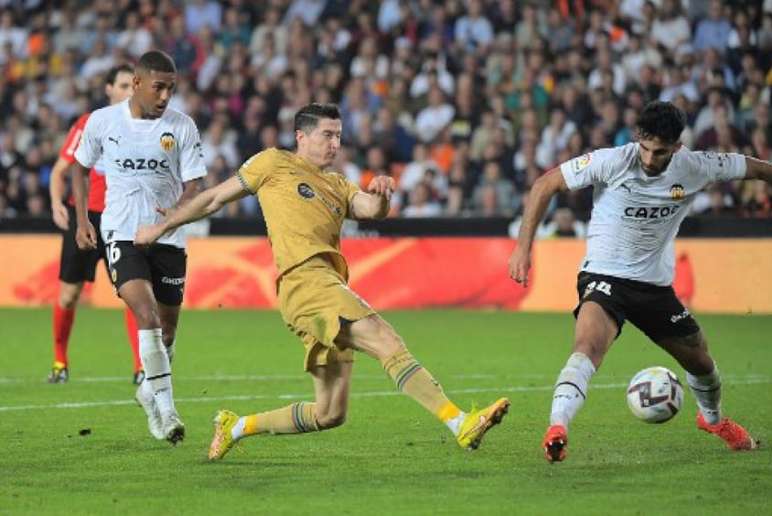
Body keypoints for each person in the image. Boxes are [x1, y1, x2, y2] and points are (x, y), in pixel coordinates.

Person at [135, 103, 510, 460]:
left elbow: (370, 210)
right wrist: (165, 225)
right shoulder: (273, 163)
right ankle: (461, 422)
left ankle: (237, 427)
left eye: (339, 136)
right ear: (302, 136)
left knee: (330, 413)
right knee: (386, 340)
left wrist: (381, 196)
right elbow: (215, 198)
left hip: (324, 287)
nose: (336, 144)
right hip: (305, 282)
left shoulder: (338, 184)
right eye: (328, 135)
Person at [508, 101, 771, 463]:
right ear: (638, 138)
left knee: (701, 361)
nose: (648, 159)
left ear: (677, 147)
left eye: (660, 152)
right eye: (645, 147)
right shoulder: (613, 160)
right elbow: (544, 184)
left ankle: (712, 420)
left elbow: (758, 169)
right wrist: (523, 249)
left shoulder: (696, 166)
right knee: (587, 345)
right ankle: (557, 428)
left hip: (654, 289)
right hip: (604, 277)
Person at [72, 50, 207, 444]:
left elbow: (195, 183)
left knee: (167, 331)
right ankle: (166, 411)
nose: (165, 96)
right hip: (122, 234)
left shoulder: (182, 127)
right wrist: (83, 220)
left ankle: (148, 392)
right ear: (136, 84)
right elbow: (81, 168)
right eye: (158, 87)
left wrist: (176, 213)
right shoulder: (102, 122)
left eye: (171, 88)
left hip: (168, 236)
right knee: (145, 314)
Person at [47, 64, 143, 385]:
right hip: (86, 219)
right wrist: (56, 204)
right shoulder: (89, 123)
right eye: (125, 85)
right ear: (109, 89)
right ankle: (60, 363)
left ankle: (141, 369)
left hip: (123, 219)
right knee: (69, 296)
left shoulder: (144, 127)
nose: (131, 91)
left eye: (135, 86)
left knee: (133, 292)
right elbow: (62, 169)